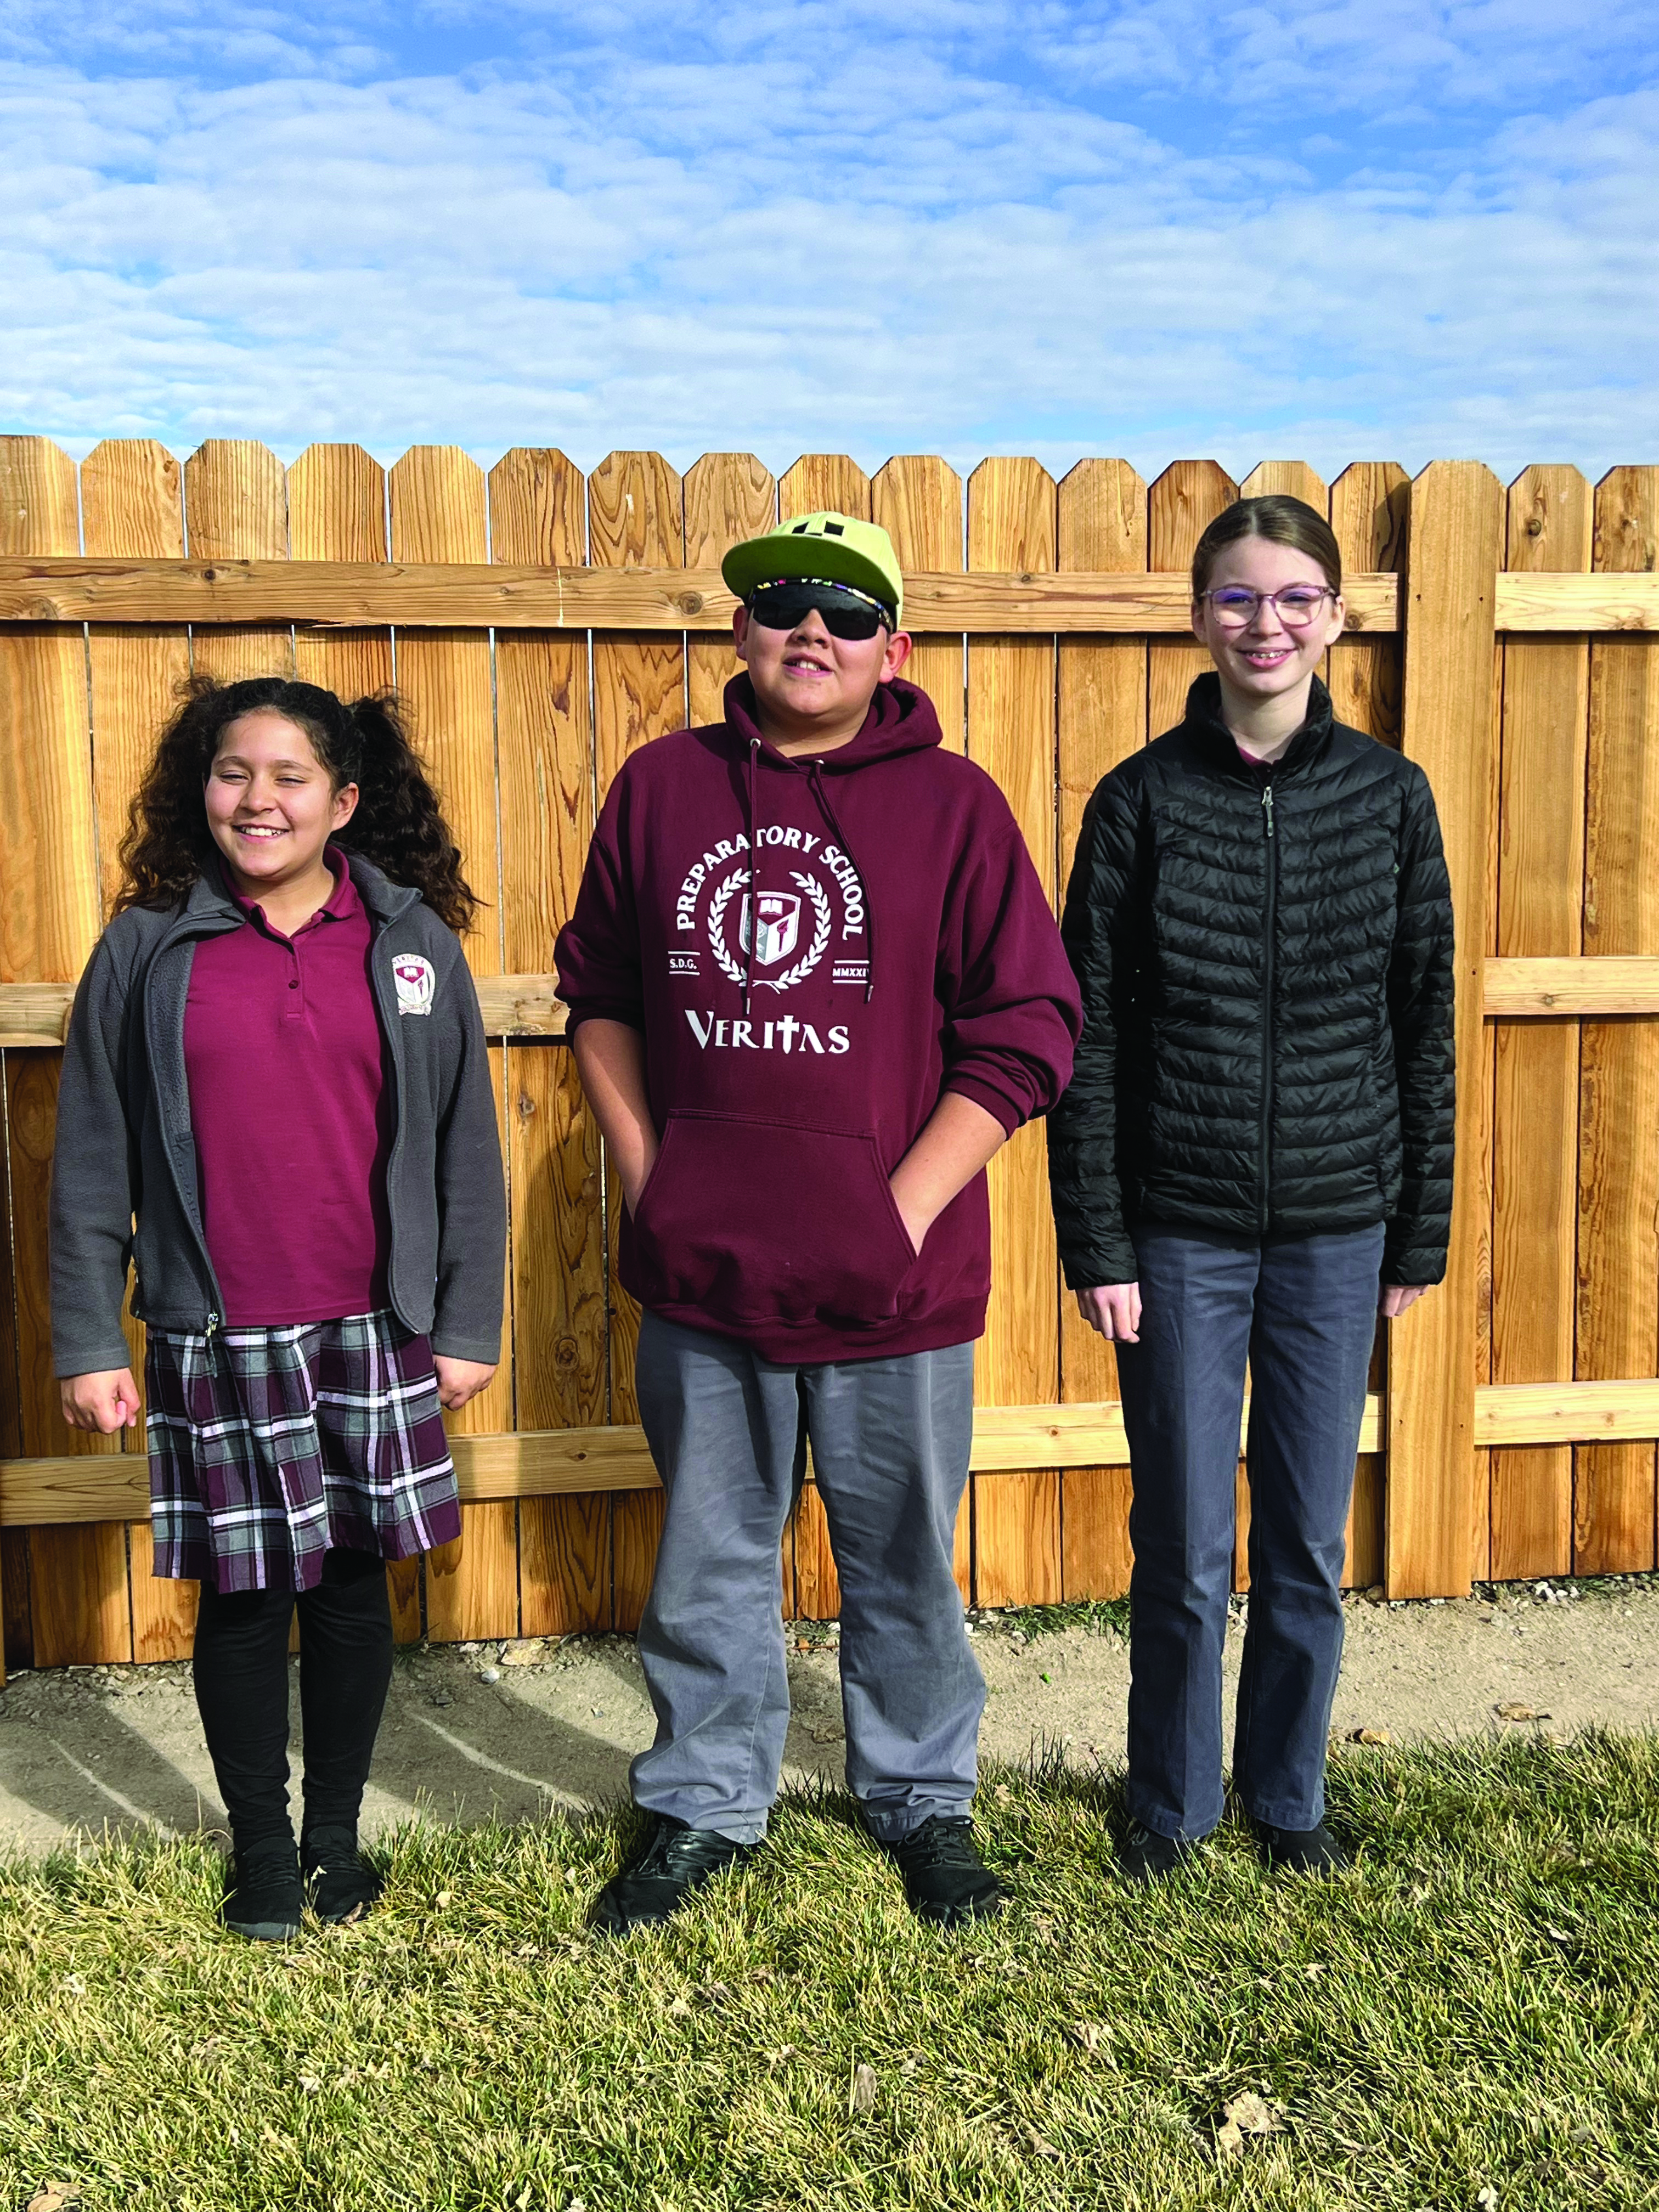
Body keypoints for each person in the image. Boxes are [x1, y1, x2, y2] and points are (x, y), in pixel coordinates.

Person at [557, 511, 1080, 1932]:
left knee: (901, 1557)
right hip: (706, 1273)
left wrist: (898, 1211)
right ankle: (703, 1803)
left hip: (896, 1290)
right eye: (783, 603)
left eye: (849, 614)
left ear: (892, 650)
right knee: (710, 1560)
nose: (813, 630)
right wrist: (653, 1173)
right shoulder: (662, 788)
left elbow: (1030, 1029)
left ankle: (922, 1801)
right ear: (739, 632)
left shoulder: (955, 805)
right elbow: (596, 993)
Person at [50, 676, 505, 1942]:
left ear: (344, 801)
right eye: (233, 773)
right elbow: (91, 1152)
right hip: (216, 1333)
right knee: (247, 1603)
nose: (258, 800)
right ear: (203, 791)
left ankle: (337, 1843)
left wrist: (467, 1324)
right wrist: (91, 1337)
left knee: (353, 1593)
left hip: (374, 1328)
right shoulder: (149, 944)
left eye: (290, 777)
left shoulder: (411, 944)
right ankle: (262, 1854)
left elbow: (468, 1147)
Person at [1048, 494, 1455, 1880]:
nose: (1265, 623)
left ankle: (1289, 1802)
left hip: (1341, 1230)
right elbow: (1083, 1034)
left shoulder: (1391, 799)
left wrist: (1421, 1225)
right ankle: (1169, 1802)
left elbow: (1424, 1019)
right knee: (1180, 1538)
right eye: (1237, 596)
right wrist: (1098, 1237)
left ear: (1335, 616)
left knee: (1302, 1535)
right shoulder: (1140, 802)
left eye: (1293, 597)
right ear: (1198, 615)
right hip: (1178, 1234)